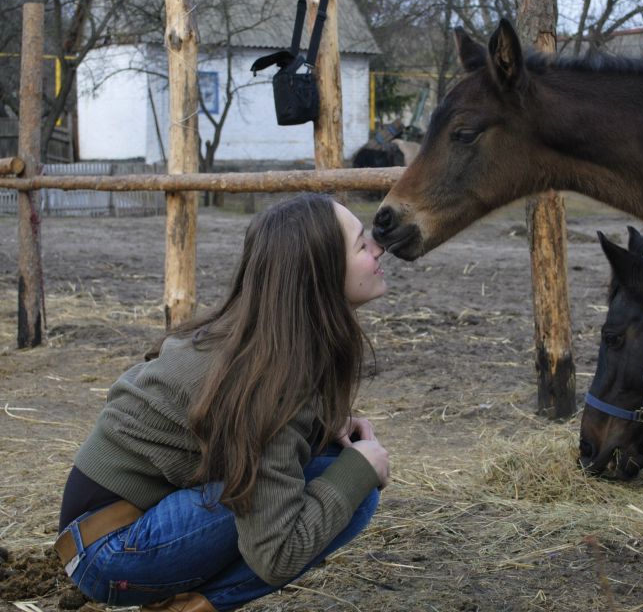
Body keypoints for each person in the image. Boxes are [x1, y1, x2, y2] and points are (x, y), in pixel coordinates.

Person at [54, 193, 391, 612]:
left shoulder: (265, 341)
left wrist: (323, 424)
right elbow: (277, 553)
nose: (379, 247)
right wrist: (359, 472)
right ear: (319, 275)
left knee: (328, 467)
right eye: (362, 244)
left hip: (110, 535)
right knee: (349, 486)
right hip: (108, 551)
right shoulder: (269, 377)